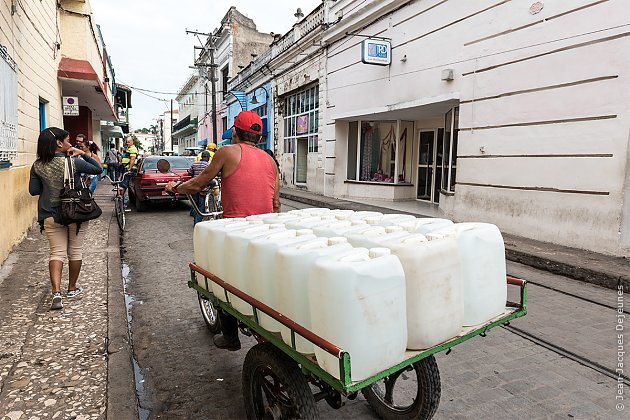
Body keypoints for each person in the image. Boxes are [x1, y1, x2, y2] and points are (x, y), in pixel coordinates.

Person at [166, 110, 280, 350]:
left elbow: (198, 183)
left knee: (218, 276)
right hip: (267, 231)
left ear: (235, 133)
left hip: (237, 229)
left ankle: (230, 336)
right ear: (259, 138)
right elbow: (276, 203)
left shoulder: (227, 152)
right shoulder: (270, 160)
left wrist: (175, 188)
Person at [29, 127, 102, 310]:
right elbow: (97, 169)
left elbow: (34, 190)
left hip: (49, 214)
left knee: (56, 253)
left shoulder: (37, 165)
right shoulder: (73, 162)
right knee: (75, 251)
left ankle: (56, 293)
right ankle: (72, 288)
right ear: (59, 143)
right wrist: (82, 154)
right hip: (75, 212)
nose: (71, 144)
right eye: (68, 140)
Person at [187, 150, 212, 225]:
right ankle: (197, 222)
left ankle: (195, 219)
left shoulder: (194, 164)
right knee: (201, 207)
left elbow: (190, 173)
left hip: (194, 188)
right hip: (203, 189)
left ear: (201, 156)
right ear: (207, 157)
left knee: (195, 205)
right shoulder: (207, 165)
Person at [120, 136, 138, 210]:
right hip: (127, 168)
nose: (127, 143)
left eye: (129, 142)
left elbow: (133, 159)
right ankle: (121, 201)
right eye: (127, 142)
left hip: (130, 169)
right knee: (124, 184)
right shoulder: (129, 148)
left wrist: (129, 168)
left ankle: (122, 202)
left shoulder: (133, 149)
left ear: (132, 141)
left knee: (124, 185)